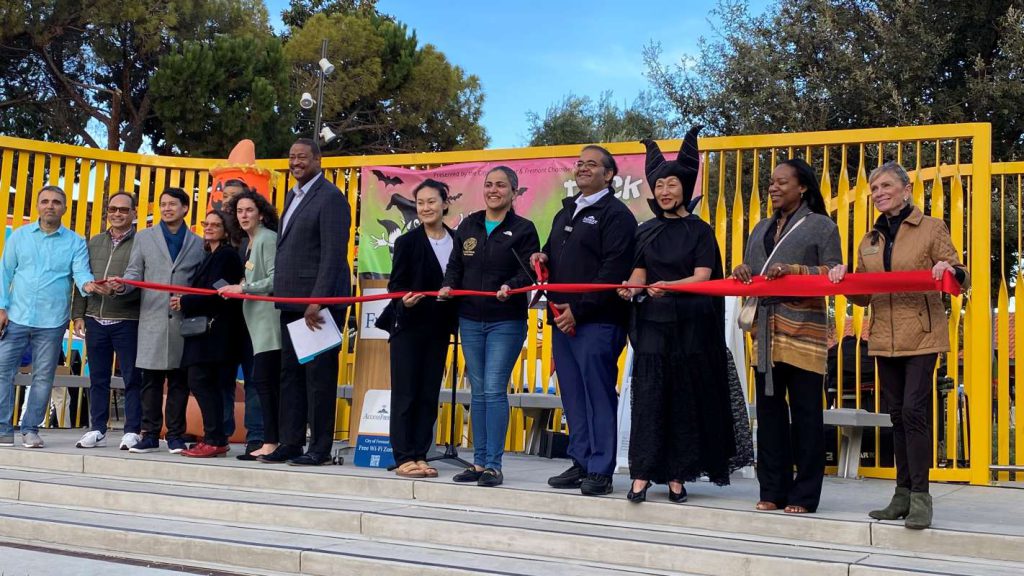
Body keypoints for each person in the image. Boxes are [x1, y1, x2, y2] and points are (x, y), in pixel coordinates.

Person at [831, 161, 969, 529]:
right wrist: (845, 279)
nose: (879, 193)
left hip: (923, 334)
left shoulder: (931, 228)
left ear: (906, 190)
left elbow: (960, 271)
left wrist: (948, 271)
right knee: (896, 416)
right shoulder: (870, 239)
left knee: (913, 411)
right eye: (874, 189)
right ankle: (901, 494)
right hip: (883, 338)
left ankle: (921, 497)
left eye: (886, 186)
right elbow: (863, 298)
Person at [617, 129, 737, 503]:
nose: (666, 190)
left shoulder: (700, 231)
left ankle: (677, 476)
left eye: (672, 184)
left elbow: (703, 277)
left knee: (682, 399)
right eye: (659, 185)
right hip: (653, 324)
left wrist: (669, 285)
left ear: (685, 187)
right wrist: (632, 287)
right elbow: (639, 272)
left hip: (690, 326)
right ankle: (641, 474)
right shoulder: (645, 231)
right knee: (649, 396)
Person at [732, 158, 843, 514]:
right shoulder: (760, 226)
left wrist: (794, 271)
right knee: (769, 413)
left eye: (782, 182)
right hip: (765, 331)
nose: (773, 187)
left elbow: (832, 273)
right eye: (771, 182)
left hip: (804, 331)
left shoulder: (822, 226)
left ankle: (804, 495)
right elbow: (754, 273)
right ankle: (773, 489)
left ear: (803, 187)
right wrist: (742, 270)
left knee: (807, 414)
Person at [531, 146, 637, 496]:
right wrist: (542, 254)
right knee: (573, 394)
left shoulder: (617, 215)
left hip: (597, 321)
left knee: (598, 394)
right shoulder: (566, 211)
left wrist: (581, 309)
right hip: (561, 318)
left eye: (592, 164)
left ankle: (601, 469)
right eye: (579, 164)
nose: (583, 169)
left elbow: (614, 270)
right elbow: (553, 251)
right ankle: (580, 460)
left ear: (609, 175)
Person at [439, 168, 539, 487]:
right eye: (489, 185)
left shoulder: (523, 229)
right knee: (478, 391)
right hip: (469, 319)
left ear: (514, 192)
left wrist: (511, 285)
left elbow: (530, 274)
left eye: (501, 185)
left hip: (505, 321)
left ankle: (494, 464)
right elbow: (455, 266)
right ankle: (479, 463)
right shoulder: (468, 224)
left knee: (494, 389)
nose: (494, 190)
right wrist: (447, 287)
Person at [263, 138, 350, 466]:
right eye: (291, 157)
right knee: (291, 375)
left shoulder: (330, 198)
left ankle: (320, 448)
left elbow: (332, 254)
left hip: (317, 305)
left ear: (318, 159)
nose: (296, 162)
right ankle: (291, 442)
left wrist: (318, 299)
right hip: (289, 302)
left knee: (319, 377)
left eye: (302, 157)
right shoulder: (292, 195)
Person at [0, 186, 101, 448]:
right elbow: (5, 273)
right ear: (37, 206)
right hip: (17, 318)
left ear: (65, 208)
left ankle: (30, 430)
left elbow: (80, 272)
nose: (50, 206)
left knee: (43, 377)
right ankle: (2, 429)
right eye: (45, 201)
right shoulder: (20, 237)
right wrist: (1, 308)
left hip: (52, 321)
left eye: (56, 202)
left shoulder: (75, 241)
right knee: (2, 372)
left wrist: (88, 284)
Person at [109, 187, 205, 454]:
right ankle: (149, 434)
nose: (166, 209)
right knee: (150, 380)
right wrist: (122, 286)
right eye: (163, 204)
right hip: (151, 317)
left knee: (178, 380)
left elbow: (200, 281)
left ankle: (175, 434)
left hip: (183, 321)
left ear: (185, 208)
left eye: (172, 204)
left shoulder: (197, 242)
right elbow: (134, 272)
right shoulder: (145, 237)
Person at [382, 179, 458, 479]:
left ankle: (421, 454)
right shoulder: (407, 242)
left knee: (428, 394)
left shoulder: (458, 240)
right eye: (421, 203)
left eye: (431, 202)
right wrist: (406, 301)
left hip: (439, 328)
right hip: (409, 327)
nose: (426, 208)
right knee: (406, 393)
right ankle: (403, 456)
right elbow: (396, 286)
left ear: (445, 203)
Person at [71, 192, 143, 450]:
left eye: (124, 210)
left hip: (127, 319)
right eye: (113, 209)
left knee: (133, 377)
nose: (118, 213)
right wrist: (78, 314)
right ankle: (97, 428)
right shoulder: (94, 242)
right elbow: (81, 278)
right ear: (107, 212)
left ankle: (132, 430)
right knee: (97, 378)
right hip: (94, 318)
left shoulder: (142, 242)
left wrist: (123, 288)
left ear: (134, 213)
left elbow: (143, 280)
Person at [175, 210, 244, 457]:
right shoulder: (210, 255)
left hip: (217, 334)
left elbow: (218, 291)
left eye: (216, 224)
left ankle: (215, 437)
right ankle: (214, 436)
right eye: (207, 223)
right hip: (208, 333)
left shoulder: (226, 256)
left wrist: (185, 301)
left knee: (204, 382)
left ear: (226, 230)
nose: (210, 227)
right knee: (205, 383)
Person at [219, 190, 281, 460]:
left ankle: (271, 441)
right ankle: (269, 441)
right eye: (239, 211)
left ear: (262, 213)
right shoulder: (249, 242)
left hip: (268, 321)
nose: (243, 215)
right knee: (262, 381)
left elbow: (274, 279)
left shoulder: (267, 239)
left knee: (266, 382)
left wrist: (242, 288)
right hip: (254, 320)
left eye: (249, 210)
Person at [218, 178, 264, 458]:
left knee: (255, 379)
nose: (229, 203)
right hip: (224, 319)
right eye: (226, 197)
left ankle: (256, 436)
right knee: (222, 378)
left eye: (235, 198)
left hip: (253, 318)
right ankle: (220, 434)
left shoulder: (257, 237)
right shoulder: (214, 233)